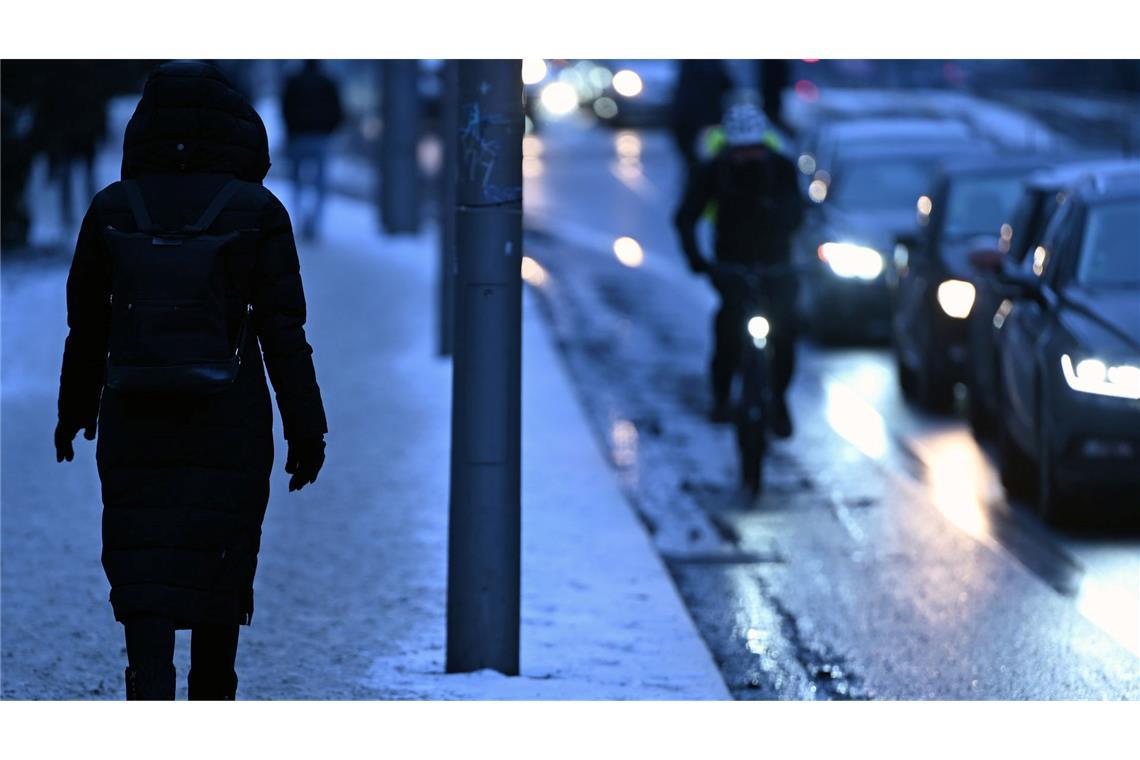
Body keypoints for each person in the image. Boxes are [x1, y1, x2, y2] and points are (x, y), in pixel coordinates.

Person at [54, 61, 328, 700]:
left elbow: (86, 325)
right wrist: (306, 429)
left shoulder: (114, 207)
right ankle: (212, 701)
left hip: (133, 410)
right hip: (228, 417)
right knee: (219, 570)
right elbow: (285, 332)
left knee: (143, 561)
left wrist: (74, 410)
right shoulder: (257, 211)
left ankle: (146, 690)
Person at [673, 101, 804, 437]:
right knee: (728, 333)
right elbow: (685, 217)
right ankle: (721, 398)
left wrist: (782, 221)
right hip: (731, 267)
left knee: (785, 335)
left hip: (776, 267)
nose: (748, 158)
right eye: (740, 151)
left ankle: (778, 399)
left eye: (754, 150)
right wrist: (697, 260)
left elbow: (799, 214)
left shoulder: (781, 169)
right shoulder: (712, 171)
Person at [281, 60, 344, 240]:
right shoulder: (328, 83)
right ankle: (314, 223)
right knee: (320, 184)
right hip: (320, 138)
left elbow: (285, 109)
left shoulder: (293, 81)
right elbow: (338, 111)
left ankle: (301, 219)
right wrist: (328, 130)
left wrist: (291, 131)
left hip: (298, 138)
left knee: (297, 182)